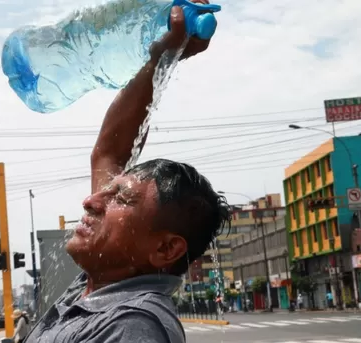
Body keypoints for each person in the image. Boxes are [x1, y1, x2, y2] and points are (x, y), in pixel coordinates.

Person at [24, 0, 227, 342]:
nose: (91, 200)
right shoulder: (100, 288)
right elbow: (110, 152)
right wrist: (162, 58)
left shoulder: (132, 326)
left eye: (122, 198)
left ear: (165, 250)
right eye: (111, 190)